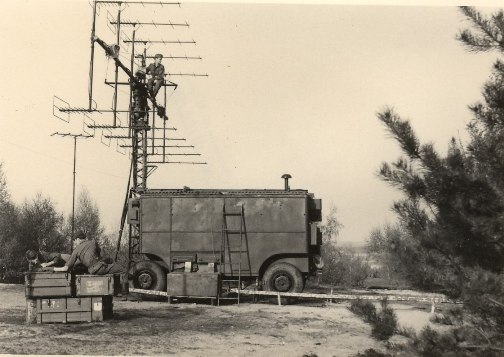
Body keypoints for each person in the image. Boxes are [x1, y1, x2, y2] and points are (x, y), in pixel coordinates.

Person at [53, 231, 125, 275]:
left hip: (91, 270)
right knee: (123, 270)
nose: (75, 243)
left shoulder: (76, 250)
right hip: (99, 268)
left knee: (109, 261)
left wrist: (53, 269)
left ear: (78, 239)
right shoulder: (93, 242)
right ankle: (124, 293)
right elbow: (100, 255)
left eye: (75, 241)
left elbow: (65, 268)